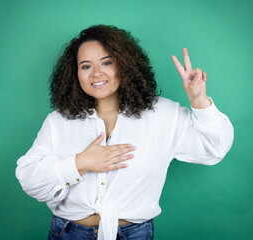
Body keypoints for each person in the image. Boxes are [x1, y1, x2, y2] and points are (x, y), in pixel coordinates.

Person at [15, 24, 234, 240]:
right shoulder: (59, 120)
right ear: (75, 74)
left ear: (125, 65)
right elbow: (30, 179)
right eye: (85, 66)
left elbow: (215, 149)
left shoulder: (164, 115)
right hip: (69, 233)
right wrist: (79, 163)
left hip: (135, 234)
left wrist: (199, 100)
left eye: (106, 62)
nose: (96, 73)